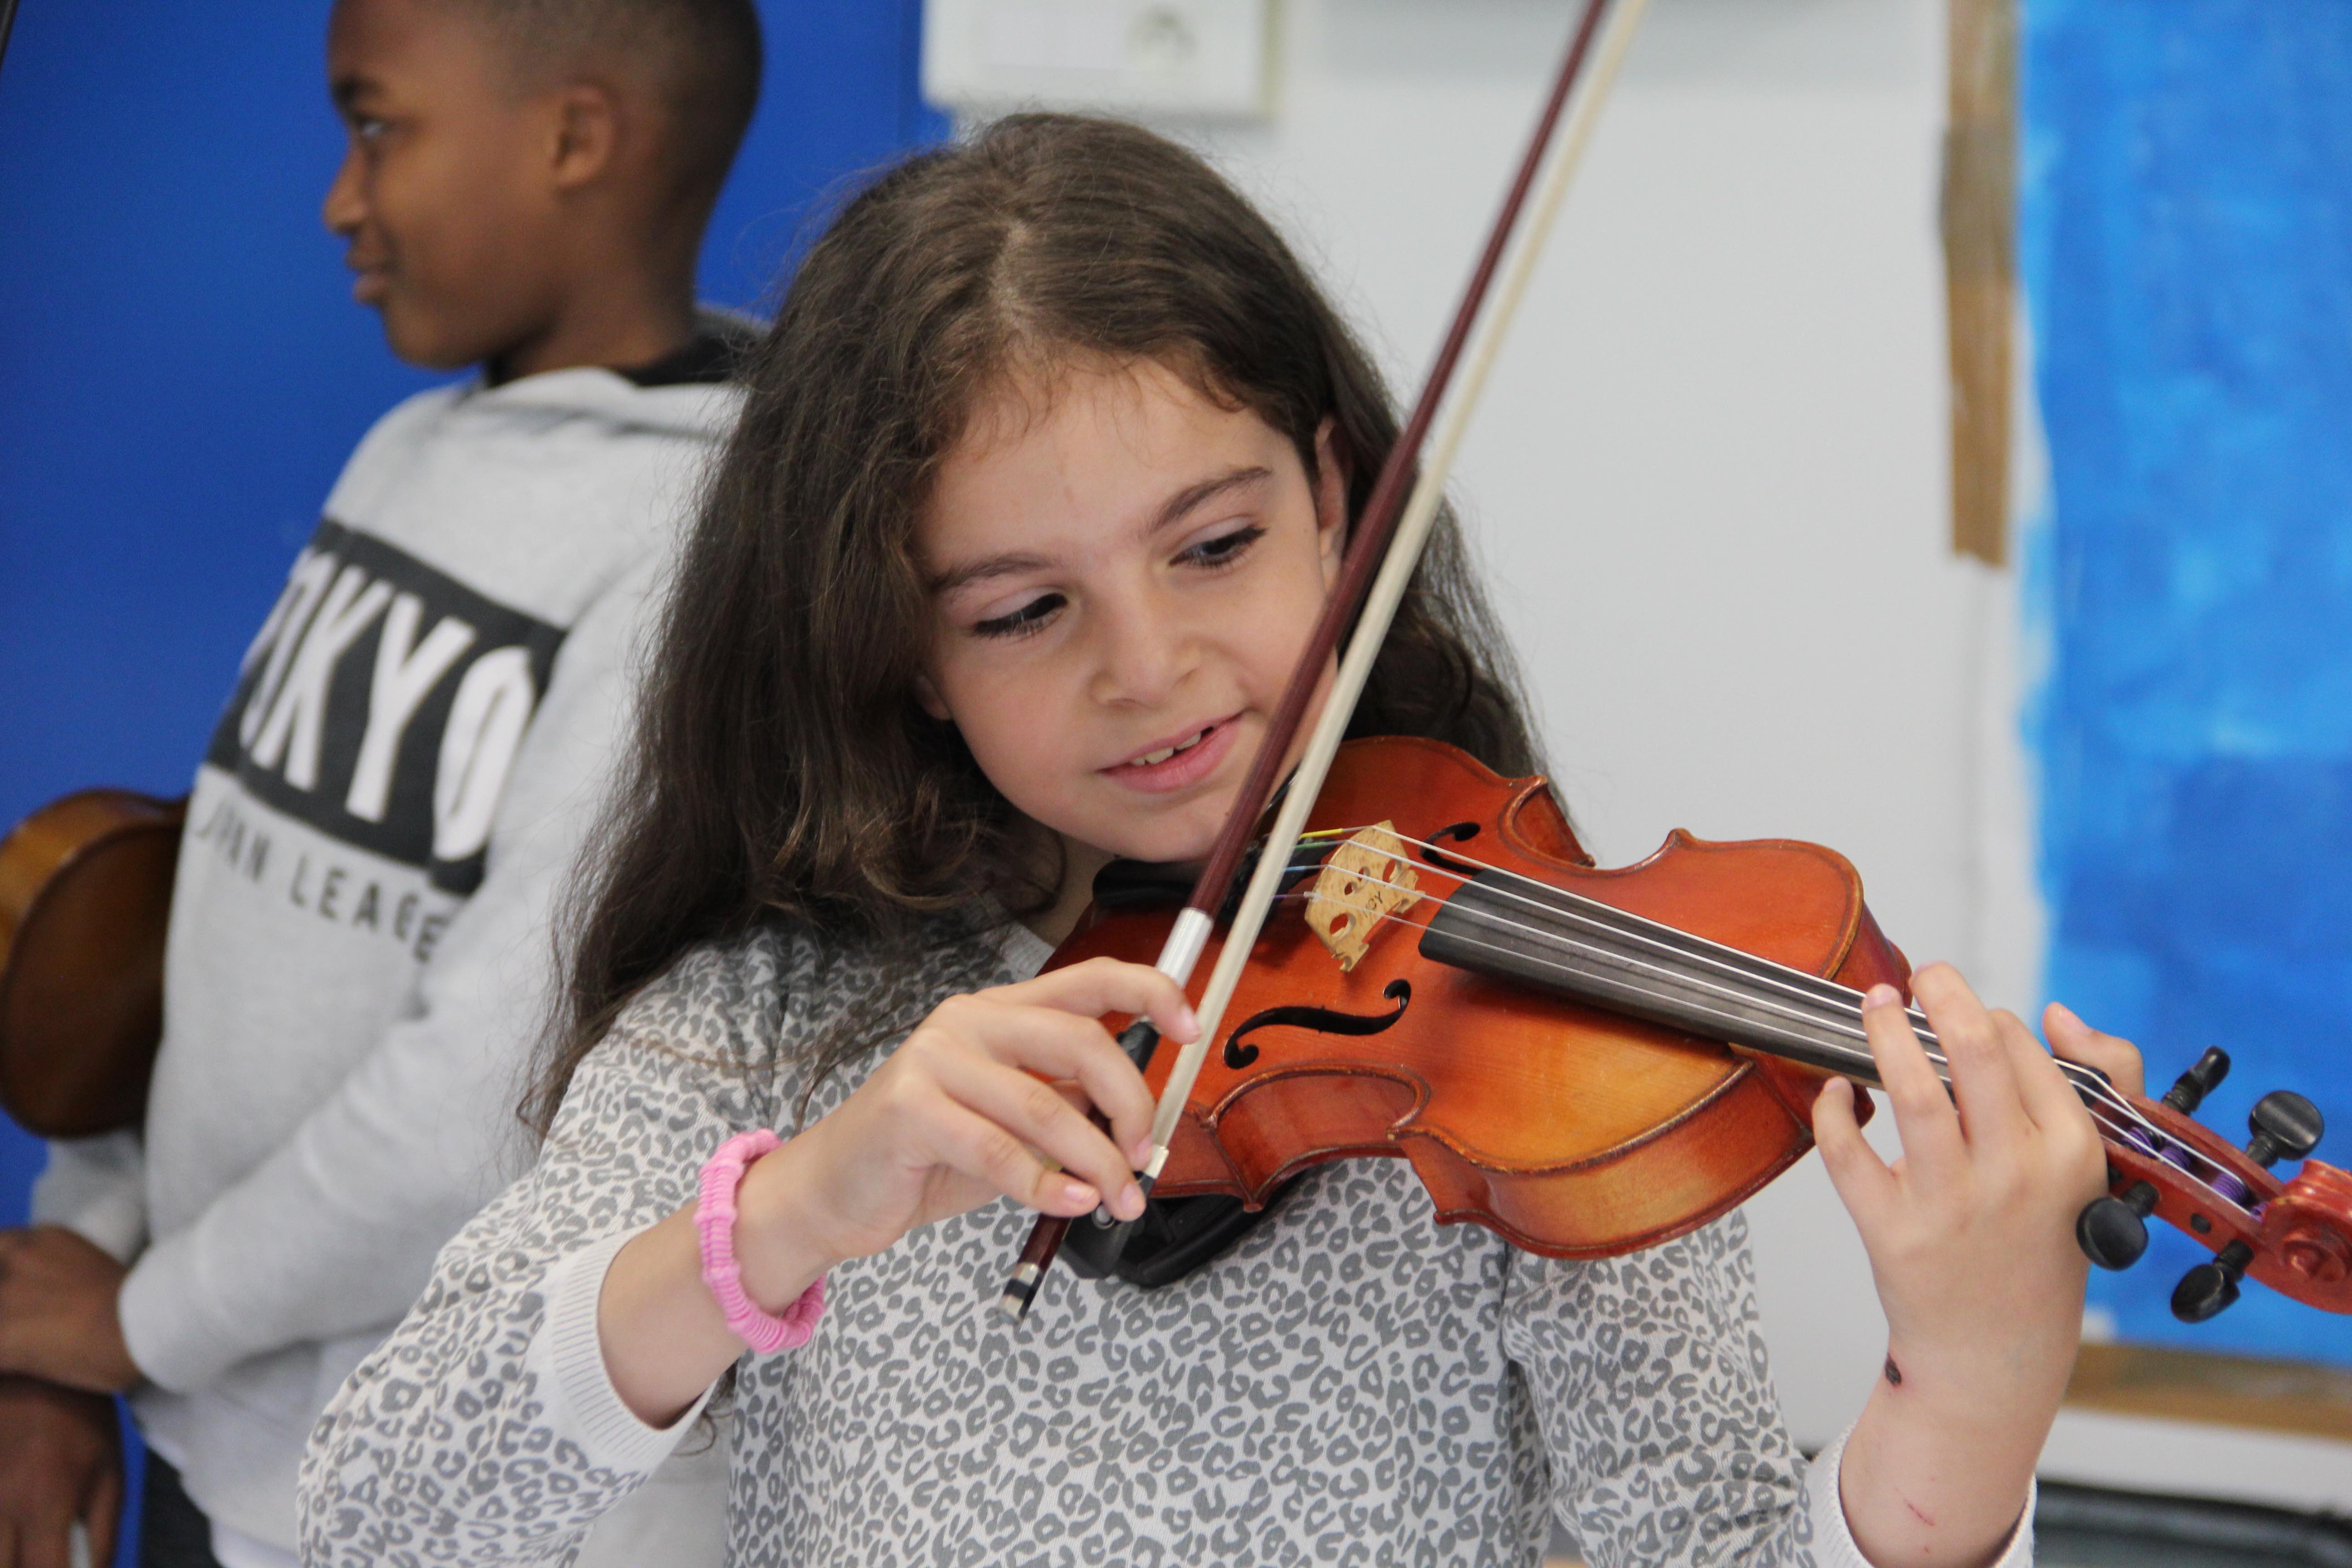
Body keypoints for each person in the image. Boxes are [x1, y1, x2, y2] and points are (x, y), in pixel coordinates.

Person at [300, 114, 2148, 1568]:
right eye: (1024, 610)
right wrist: (785, 1216)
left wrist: (1974, 1386)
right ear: (898, 650)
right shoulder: (771, 1021)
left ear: (1337, 501)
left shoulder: (1530, 1034)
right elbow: (383, 1518)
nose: (1154, 667)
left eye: (1214, 546)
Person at [0, 1, 762, 1564]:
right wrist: (78, 1319)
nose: (342, 198)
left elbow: (483, 1094)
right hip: (210, 1433)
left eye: (376, 125)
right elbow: (198, 934)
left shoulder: (704, 553)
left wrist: (138, 1319)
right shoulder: (414, 450)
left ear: (573, 137)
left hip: (439, 1505)